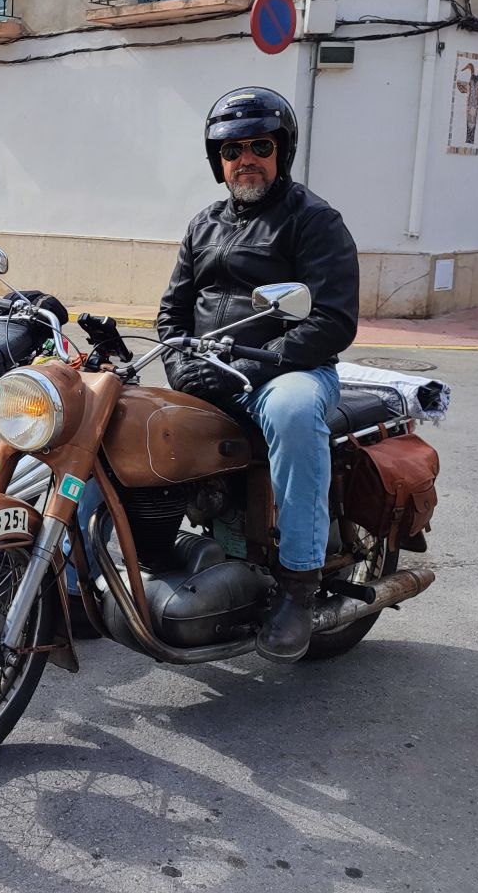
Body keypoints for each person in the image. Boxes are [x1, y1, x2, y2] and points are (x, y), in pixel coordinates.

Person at [156, 86, 360, 662]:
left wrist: (247, 367)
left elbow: (333, 320)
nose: (245, 158)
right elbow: (172, 310)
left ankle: (298, 586)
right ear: (217, 160)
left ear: (281, 151)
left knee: (295, 416)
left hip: (285, 372)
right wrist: (180, 364)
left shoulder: (314, 220)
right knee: (115, 414)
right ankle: (113, 561)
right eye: (231, 150)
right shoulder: (203, 224)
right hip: (208, 371)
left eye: (259, 145)